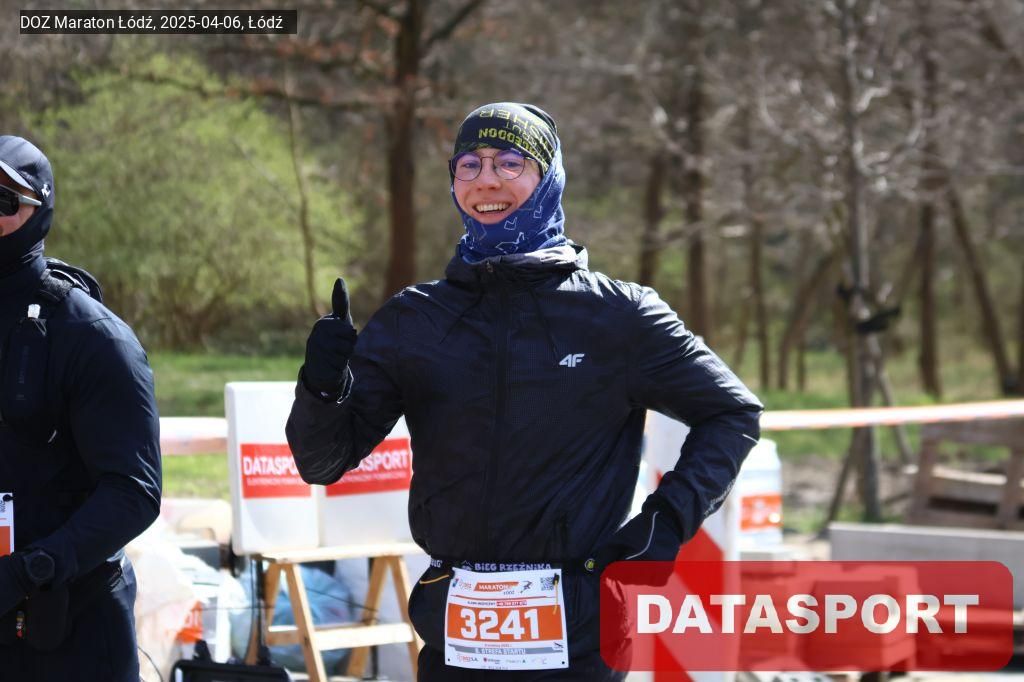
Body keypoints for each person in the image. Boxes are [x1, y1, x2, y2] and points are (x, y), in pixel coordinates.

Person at [287, 103, 762, 681]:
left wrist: (661, 528)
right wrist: (323, 386)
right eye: (469, 164)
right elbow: (323, 462)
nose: (486, 180)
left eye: (510, 163)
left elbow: (732, 412)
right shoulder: (415, 319)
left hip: (579, 628)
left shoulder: (618, 315)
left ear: (549, 178)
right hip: (455, 627)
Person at [0, 135, 161, 680]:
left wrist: (30, 570)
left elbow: (134, 492)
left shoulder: (93, 336)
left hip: (72, 627)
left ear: (40, 211)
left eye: (3, 200)